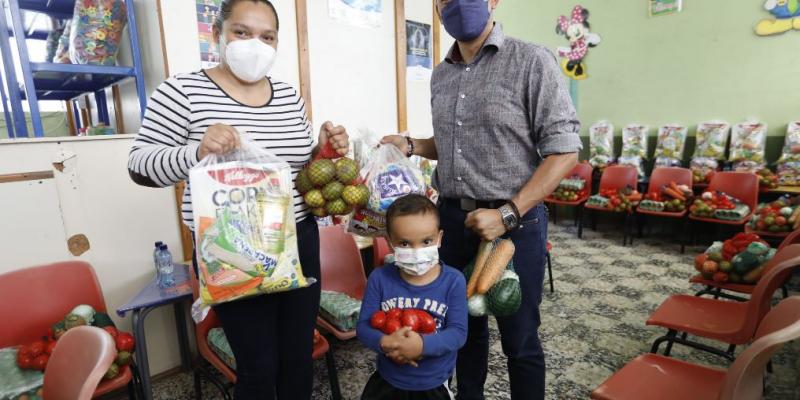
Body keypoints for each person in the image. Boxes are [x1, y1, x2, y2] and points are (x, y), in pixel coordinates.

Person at [127, 1, 349, 398]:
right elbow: (140, 168)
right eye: (241, 32)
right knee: (258, 365)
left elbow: (295, 175)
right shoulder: (182, 92)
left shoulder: (287, 95)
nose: (255, 44)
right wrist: (195, 151)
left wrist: (323, 154)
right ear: (217, 34)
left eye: (267, 36)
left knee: (298, 356)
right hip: (231, 245)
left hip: (296, 240)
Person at [382, 0, 582, 399]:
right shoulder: (442, 74)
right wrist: (412, 144)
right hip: (453, 222)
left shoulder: (531, 61)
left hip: (515, 226)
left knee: (519, 337)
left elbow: (565, 152)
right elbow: (457, 143)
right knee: (462, 330)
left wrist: (508, 213)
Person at [357, 194, 468, 400]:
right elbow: (363, 327)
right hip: (388, 381)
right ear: (390, 243)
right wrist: (385, 342)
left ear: (439, 238)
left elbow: (458, 333)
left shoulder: (454, 281)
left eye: (426, 241)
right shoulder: (379, 278)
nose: (418, 251)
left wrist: (422, 346)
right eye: (405, 244)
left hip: (433, 384)